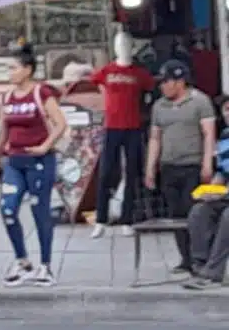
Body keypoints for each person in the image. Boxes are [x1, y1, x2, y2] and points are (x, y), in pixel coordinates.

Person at [0, 44, 68, 287]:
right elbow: (3, 131)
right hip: (14, 162)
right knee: (8, 209)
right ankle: (22, 261)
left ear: (27, 70)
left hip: (40, 161)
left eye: (13, 68)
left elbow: (60, 123)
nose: (9, 72)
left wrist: (45, 146)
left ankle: (45, 265)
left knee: (39, 210)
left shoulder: (41, 93)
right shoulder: (7, 97)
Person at [145, 60, 217, 274]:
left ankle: (200, 258)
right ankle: (185, 258)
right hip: (169, 166)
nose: (163, 86)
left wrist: (207, 163)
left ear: (180, 82)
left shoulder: (200, 101)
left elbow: (208, 134)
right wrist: (150, 167)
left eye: (167, 81)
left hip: (192, 165)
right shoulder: (159, 106)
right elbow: (155, 138)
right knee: (175, 214)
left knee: (194, 213)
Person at [90, 33, 155, 237]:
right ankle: (101, 219)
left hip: (133, 127)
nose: (123, 47)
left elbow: (150, 91)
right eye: (119, 43)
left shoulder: (140, 74)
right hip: (112, 127)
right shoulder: (106, 71)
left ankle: (127, 218)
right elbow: (96, 83)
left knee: (132, 172)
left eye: (126, 43)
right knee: (107, 172)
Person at [183, 95, 229, 289]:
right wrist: (211, 191)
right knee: (200, 211)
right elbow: (221, 172)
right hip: (226, 193)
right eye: (226, 110)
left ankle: (213, 273)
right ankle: (200, 266)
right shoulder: (226, 137)